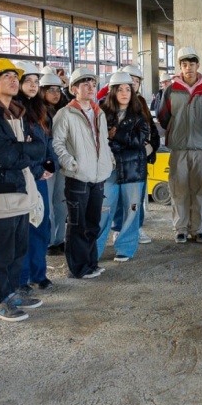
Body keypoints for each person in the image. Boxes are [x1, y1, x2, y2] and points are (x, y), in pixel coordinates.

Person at [0, 58, 45, 321]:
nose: (14, 81)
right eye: (7, 76)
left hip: (20, 186)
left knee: (17, 247)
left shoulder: (18, 113)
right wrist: (22, 150)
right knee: (0, 250)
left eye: (16, 76)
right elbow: (6, 156)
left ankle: (12, 291)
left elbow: (40, 148)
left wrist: (19, 150)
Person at [51, 67, 114, 279]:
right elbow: (57, 143)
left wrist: (109, 160)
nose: (90, 88)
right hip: (77, 177)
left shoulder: (99, 113)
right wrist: (71, 164)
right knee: (78, 224)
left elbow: (103, 141)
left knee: (93, 223)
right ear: (74, 89)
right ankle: (78, 268)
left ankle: (91, 263)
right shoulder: (65, 114)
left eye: (93, 84)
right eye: (85, 84)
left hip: (97, 176)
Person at [157, 47, 202, 244]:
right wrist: (177, 131)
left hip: (201, 149)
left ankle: (198, 229)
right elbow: (163, 116)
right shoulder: (171, 90)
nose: (188, 68)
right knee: (178, 189)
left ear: (198, 65)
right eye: (184, 64)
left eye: (192, 64)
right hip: (179, 149)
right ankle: (181, 229)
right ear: (180, 67)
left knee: (201, 190)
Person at [96, 71, 151, 262]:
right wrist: (120, 140)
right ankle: (95, 250)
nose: (125, 93)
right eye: (120, 89)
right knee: (104, 210)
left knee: (131, 210)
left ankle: (125, 248)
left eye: (128, 89)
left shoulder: (139, 115)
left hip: (133, 171)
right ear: (112, 91)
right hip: (109, 171)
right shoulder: (101, 114)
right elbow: (99, 140)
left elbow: (139, 140)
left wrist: (116, 136)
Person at [14, 62, 57, 291]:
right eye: (28, 81)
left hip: (40, 177)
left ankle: (38, 274)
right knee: (24, 228)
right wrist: (37, 169)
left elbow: (47, 140)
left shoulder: (40, 109)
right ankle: (22, 278)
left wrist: (51, 163)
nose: (33, 85)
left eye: (36, 81)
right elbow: (18, 149)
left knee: (41, 223)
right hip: (23, 177)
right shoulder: (13, 110)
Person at [109, 64, 159, 245]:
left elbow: (150, 129)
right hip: (116, 160)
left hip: (137, 158)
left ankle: (136, 227)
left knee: (136, 198)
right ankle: (118, 229)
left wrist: (152, 147)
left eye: (136, 81)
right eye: (130, 80)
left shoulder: (141, 104)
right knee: (118, 199)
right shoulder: (109, 106)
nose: (132, 84)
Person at [39, 70, 69, 256]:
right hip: (47, 163)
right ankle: (49, 241)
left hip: (62, 162)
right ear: (42, 91)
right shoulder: (38, 112)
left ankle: (59, 239)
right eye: (51, 90)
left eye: (58, 90)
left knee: (60, 202)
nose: (55, 93)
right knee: (47, 204)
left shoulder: (64, 110)